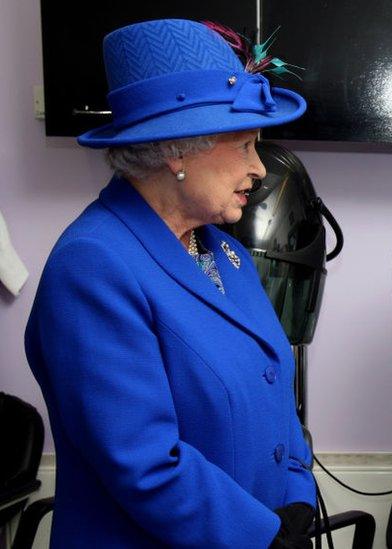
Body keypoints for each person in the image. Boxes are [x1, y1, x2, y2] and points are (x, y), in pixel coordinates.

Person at [25, 19, 318, 548]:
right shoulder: (93, 266)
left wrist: (296, 494)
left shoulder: (225, 253)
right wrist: (260, 536)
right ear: (177, 151)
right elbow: (143, 461)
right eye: (245, 145)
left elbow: (274, 388)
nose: (259, 168)